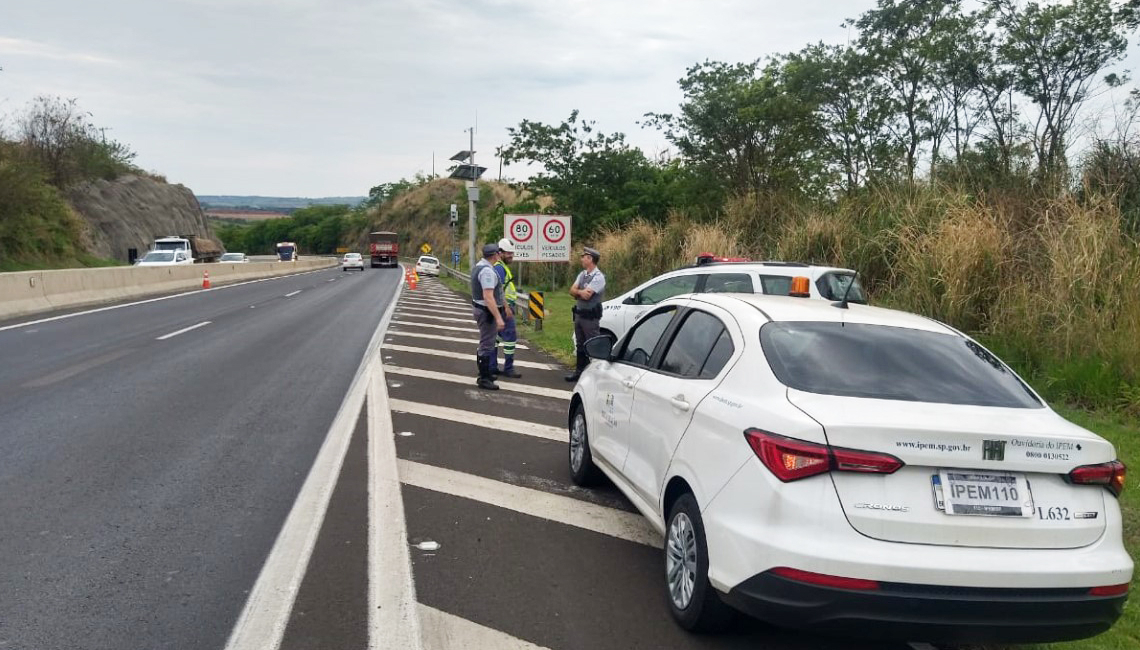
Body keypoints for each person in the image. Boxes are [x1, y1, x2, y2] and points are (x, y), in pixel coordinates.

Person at [565, 246, 606, 382]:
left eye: (584, 256)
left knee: (592, 344)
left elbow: (587, 296)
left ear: (590, 259)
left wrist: (579, 292)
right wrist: (580, 293)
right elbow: (571, 290)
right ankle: (579, 372)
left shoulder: (598, 277)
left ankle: (595, 375)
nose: (582, 258)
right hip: (579, 315)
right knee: (580, 344)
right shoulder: (582, 274)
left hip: (590, 317)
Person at [471, 243, 506, 390]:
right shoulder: (487, 271)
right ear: (495, 255)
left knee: (488, 343)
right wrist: (498, 317)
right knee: (487, 344)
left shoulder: (480, 266)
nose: (500, 255)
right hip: (487, 312)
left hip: (483, 310)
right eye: (499, 253)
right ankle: (483, 378)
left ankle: (485, 373)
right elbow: (488, 296)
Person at [492, 238, 522, 379]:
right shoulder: (499, 267)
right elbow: (499, 290)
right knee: (510, 337)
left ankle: (492, 366)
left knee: (496, 337)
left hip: (501, 307)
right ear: (500, 252)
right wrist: (507, 307)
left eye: (512, 253)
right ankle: (508, 368)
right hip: (504, 308)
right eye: (509, 253)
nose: (511, 256)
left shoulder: (500, 266)